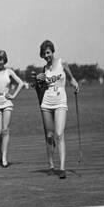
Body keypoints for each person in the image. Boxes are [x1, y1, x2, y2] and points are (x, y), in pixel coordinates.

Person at [36, 40, 79, 179]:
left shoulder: (62, 63)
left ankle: (62, 168)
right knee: (49, 135)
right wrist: (38, 80)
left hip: (60, 101)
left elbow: (71, 79)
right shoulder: (45, 69)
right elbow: (40, 88)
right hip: (47, 102)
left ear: (52, 51)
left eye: (48, 52)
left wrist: (75, 84)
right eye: (44, 54)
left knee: (59, 134)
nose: (46, 55)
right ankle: (51, 165)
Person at [0, 50, 24, 168]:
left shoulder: (9, 71)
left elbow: (21, 83)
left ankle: (4, 157)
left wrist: (13, 95)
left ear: (4, 60)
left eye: (1, 59)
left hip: (7, 102)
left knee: (5, 130)